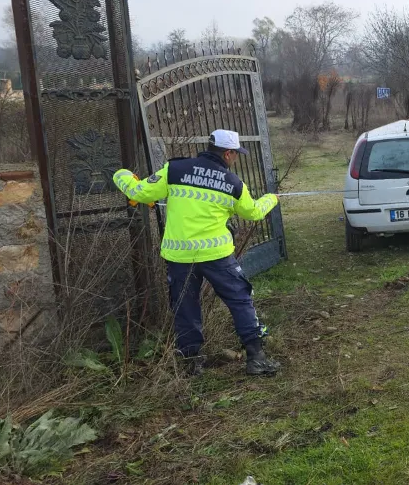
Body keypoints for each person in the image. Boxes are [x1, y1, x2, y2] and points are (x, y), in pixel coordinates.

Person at [113, 129, 282, 376]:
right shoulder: (233, 183)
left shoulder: (175, 171)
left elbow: (138, 192)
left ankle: (191, 364)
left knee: (185, 307)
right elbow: (253, 212)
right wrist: (271, 199)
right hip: (217, 256)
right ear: (227, 153)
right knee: (240, 301)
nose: (235, 159)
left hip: (179, 257)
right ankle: (256, 357)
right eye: (235, 154)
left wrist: (121, 175)